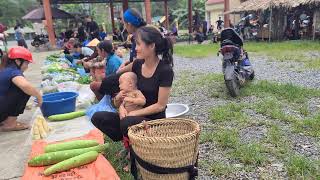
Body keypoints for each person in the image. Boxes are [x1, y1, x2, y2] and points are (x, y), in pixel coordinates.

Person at [91, 25, 174, 145]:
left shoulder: (165, 70)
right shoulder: (137, 64)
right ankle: (130, 142)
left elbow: (160, 106)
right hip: (131, 115)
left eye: (139, 44)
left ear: (151, 46)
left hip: (153, 121)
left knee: (127, 122)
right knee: (98, 117)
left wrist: (133, 114)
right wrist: (120, 107)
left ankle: (136, 149)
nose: (135, 48)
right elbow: (117, 76)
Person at [0, 47, 42, 131]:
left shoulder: (5, 70)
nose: (27, 67)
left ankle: (5, 121)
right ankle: (9, 124)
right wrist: (39, 97)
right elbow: (26, 86)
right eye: (26, 63)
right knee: (25, 90)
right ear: (17, 61)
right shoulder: (13, 71)